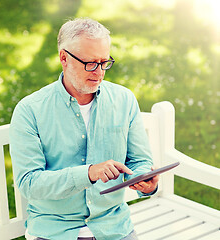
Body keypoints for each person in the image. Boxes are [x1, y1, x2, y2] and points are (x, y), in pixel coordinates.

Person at [9, 18, 159, 240]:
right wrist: (88, 173)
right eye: (90, 63)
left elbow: (140, 161)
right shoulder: (30, 110)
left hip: (113, 227)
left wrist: (144, 180)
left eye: (104, 62)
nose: (98, 72)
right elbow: (29, 184)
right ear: (64, 58)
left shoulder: (124, 100)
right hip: (55, 230)